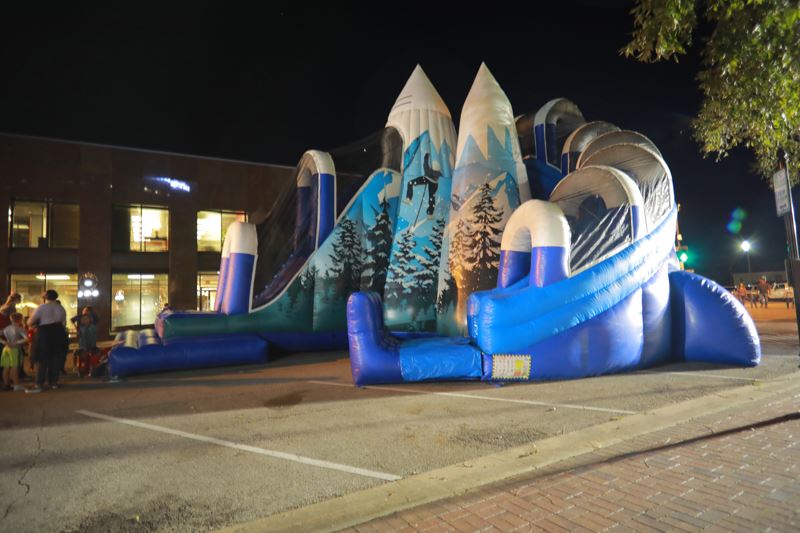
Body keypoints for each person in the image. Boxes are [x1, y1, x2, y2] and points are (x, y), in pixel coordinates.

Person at [25, 290, 68, 393]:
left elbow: (30, 321)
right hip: (58, 332)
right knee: (55, 357)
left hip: (44, 332)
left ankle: (39, 384)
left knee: (42, 358)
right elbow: (63, 321)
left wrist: (35, 324)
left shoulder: (42, 307)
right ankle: (53, 382)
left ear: (46, 297)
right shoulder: (60, 308)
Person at [404, 153, 442, 219]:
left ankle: (409, 198)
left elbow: (425, 164)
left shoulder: (430, 170)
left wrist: (426, 157)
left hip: (429, 180)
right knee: (431, 196)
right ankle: (430, 213)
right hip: (429, 180)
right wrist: (426, 157)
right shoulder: (434, 172)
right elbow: (426, 164)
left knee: (431, 196)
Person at [1, 312, 28, 391]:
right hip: (15, 348)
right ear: (20, 319)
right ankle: (16, 384)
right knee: (15, 367)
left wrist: (4, 342)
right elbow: (26, 338)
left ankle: (6, 384)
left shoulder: (6, 328)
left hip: (6, 348)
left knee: (6, 367)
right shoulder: (19, 328)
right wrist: (17, 342)